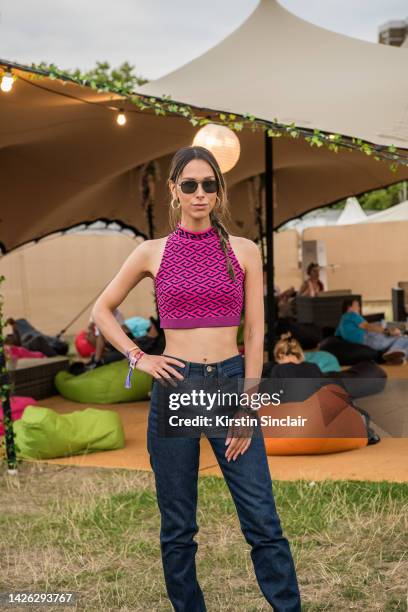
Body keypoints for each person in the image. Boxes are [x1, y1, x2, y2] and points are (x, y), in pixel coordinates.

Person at [92, 146, 301, 611]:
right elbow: (101, 310)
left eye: (209, 184)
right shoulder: (151, 252)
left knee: (262, 519)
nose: (200, 193)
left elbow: (254, 329)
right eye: (190, 185)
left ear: (220, 190)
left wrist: (248, 403)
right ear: (174, 190)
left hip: (229, 383)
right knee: (178, 527)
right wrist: (138, 357)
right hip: (175, 386)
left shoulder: (244, 251)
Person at [335, 298, 408, 365]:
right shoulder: (351, 315)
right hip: (370, 338)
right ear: (349, 307)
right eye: (357, 305)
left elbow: (337, 335)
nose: (359, 308)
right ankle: (391, 353)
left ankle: (398, 357)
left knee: (399, 335)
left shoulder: (342, 321)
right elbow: (367, 326)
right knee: (403, 338)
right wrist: (387, 331)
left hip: (366, 342)